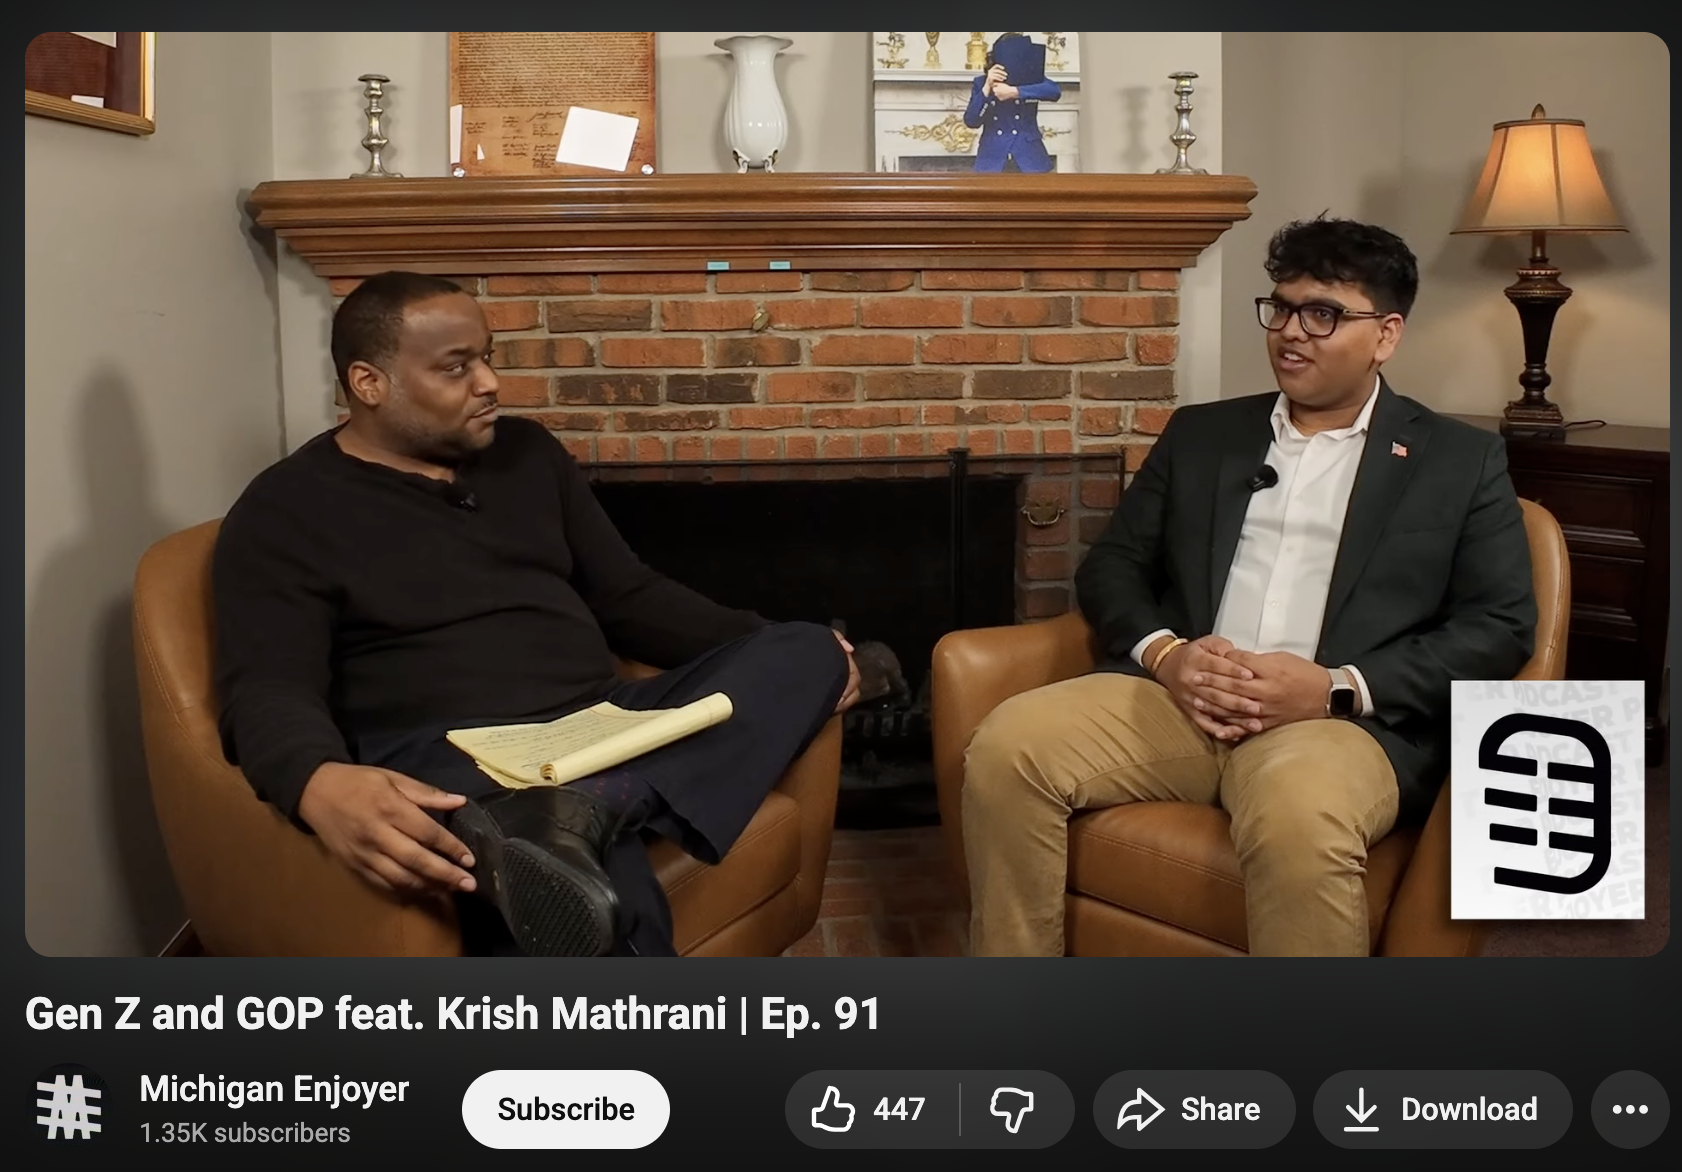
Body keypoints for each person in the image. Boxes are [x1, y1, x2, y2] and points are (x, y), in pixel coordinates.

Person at [212, 271, 860, 958]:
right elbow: (267, 684)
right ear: (370, 383)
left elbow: (629, 597)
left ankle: (590, 805)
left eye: (488, 356)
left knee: (807, 651)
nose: (489, 382)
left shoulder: (525, 455)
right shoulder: (285, 510)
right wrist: (313, 778)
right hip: (451, 755)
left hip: (596, 721)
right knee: (598, 896)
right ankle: (578, 844)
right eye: (456, 367)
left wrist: (795, 657)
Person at [960, 217, 1537, 956]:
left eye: (1322, 313)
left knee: (1301, 818)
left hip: (1339, 725)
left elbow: (1499, 625)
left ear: (1386, 335)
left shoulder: (1459, 460)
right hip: (1179, 697)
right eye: (1282, 307)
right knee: (1008, 747)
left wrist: (1334, 686)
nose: (1292, 331)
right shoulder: (1203, 434)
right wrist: (1170, 657)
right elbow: (1112, 566)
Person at [962, 33, 1061, 173]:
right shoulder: (981, 82)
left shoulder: (1031, 78)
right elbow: (971, 121)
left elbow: (1054, 91)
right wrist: (987, 87)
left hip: (1029, 156)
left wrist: (1015, 92)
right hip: (992, 156)